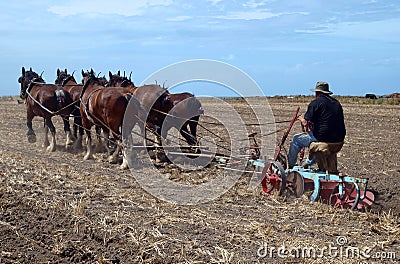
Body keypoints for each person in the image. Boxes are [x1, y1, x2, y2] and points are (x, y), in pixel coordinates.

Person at [288, 81, 346, 168]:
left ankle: (290, 167)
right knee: (317, 145)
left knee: (296, 139)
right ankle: (306, 164)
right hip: (339, 139)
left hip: (323, 137)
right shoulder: (336, 103)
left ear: (317, 92)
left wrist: (302, 119)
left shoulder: (315, 103)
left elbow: (306, 122)